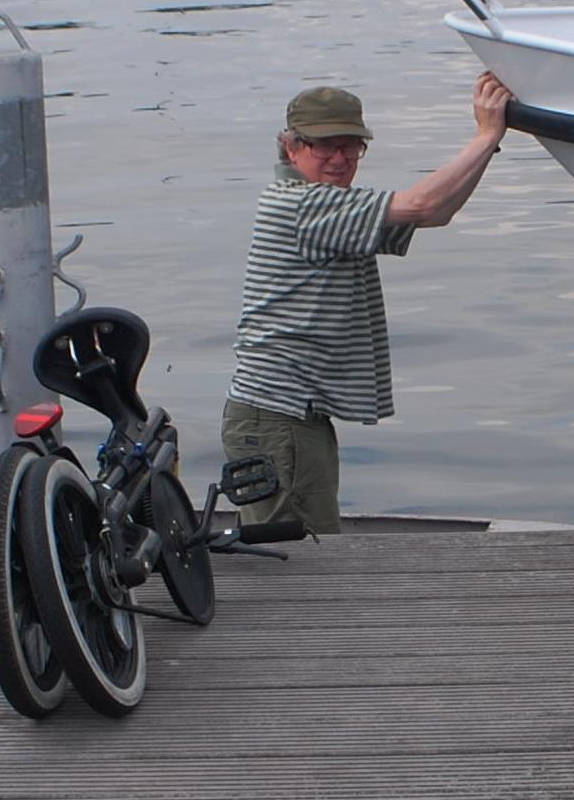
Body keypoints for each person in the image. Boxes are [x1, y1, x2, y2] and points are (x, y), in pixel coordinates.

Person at [220, 74, 513, 535]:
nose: (339, 159)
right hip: (278, 417)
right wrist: (485, 135)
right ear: (291, 148)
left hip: (289, 416)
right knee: (299, 556)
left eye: (351, 147)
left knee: (308, 546)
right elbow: (421, 204)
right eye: (325, 146)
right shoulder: (304, 206)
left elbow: (438, 212)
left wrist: (491, 143)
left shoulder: (331, 207)